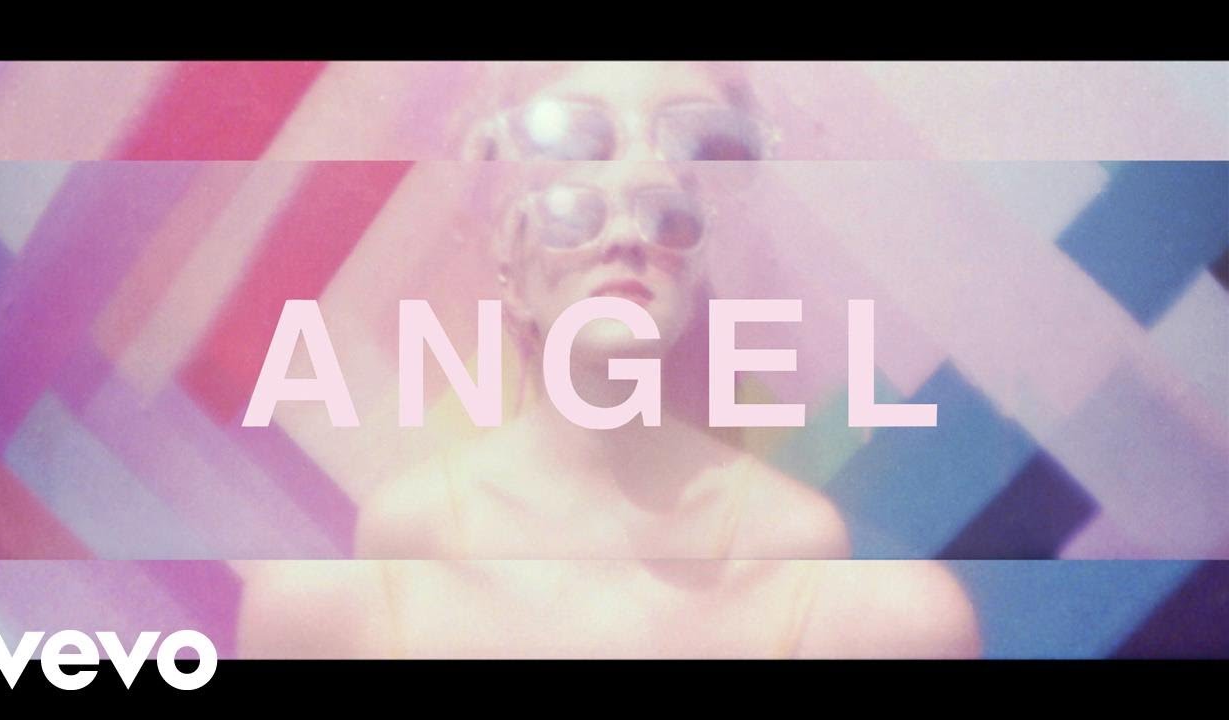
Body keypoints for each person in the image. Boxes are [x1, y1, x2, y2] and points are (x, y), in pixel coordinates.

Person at [237, 62, 981, 658]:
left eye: (691, 164)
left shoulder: (873, 616)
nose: (632, 199)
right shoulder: (340, 603)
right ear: (504, 241)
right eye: (576, 150)